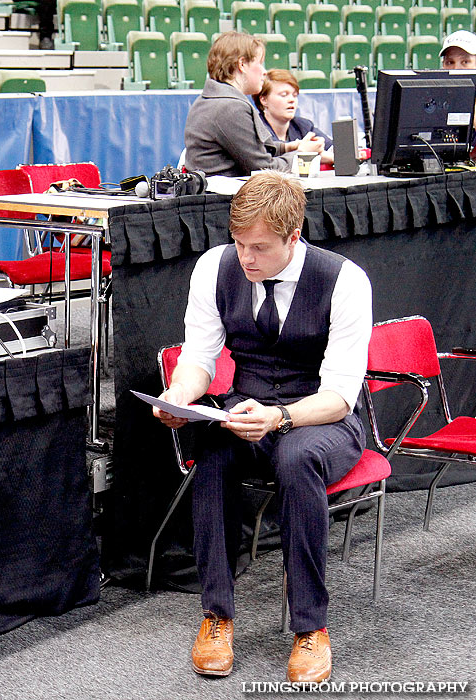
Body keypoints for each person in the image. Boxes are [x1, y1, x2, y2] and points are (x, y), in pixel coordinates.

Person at [153, 171, 372, 682]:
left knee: (298, 457)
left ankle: (311, 629)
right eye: (238, 244)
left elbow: (340, 396)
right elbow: (199, 359)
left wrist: (281, 417)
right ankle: (217, 615)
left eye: (259, 247)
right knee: (211, 453)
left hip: (321, 417)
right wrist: (179, 396)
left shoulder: (344, 280)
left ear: (294, 237)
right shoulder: (215, 268)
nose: (245, 258)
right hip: (246, 408)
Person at [182, 31, 324, 177]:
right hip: (225, 198)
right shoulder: (231, 107)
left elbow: (248, 149)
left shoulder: (212, 100)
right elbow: (263, 169)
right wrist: (302, 154)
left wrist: (288, 147)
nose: (264, 72)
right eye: (260, 64)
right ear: (242, 64)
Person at [255, 69, 334, 166]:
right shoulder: (256, 128)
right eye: (284, 95)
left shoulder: (304, 125)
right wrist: (313, 154)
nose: (292, 100)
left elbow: (332, 148)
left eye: (295, 95)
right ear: (264, 100)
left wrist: (319, 146)